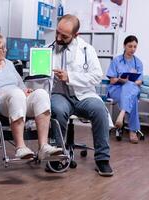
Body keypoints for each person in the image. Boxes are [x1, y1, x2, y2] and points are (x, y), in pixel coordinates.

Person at [0, 31, 63, 159]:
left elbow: (20, 84)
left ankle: (43, 146)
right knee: (16, 94)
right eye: (2, 47)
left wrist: (26, 91)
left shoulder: (9, 64)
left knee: (41, 94)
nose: (5, 50)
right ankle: (20, 147)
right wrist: (18, 92)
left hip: (18, 98)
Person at [49, 14, 113, 176]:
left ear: (76, 35)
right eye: (57, 33)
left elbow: (97, 75)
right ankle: (58, 156)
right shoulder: (48, 49)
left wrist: (70, 77)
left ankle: (102, 159)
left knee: (99, 109)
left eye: (64, 36)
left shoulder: (87, 50)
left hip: (83, 95)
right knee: (57, 109)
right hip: (60, 94)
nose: (58, 38)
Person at [106, 35, 143, 144]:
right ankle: (133, 131)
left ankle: (122, 113)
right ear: (124, 46)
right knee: (133, 97)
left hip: (131, 88)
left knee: (131, 87)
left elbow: (140, 81)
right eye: (130, 46)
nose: (133, 49)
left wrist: (130, 81)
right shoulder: (117, 60)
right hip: (116, 89)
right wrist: (123, 80)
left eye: (135, 47)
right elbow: (112, 80)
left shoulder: (138, 62)